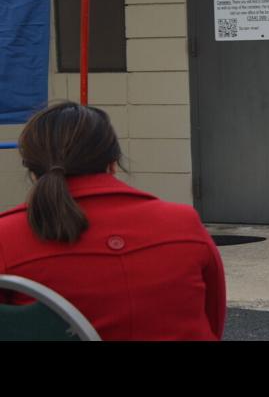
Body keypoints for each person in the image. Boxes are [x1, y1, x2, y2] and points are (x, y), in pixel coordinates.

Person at [0, 101, 226, 340]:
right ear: (114, 163)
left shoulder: (7, 237)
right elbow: (213, 320)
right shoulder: (184, 222)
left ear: (33, 172)